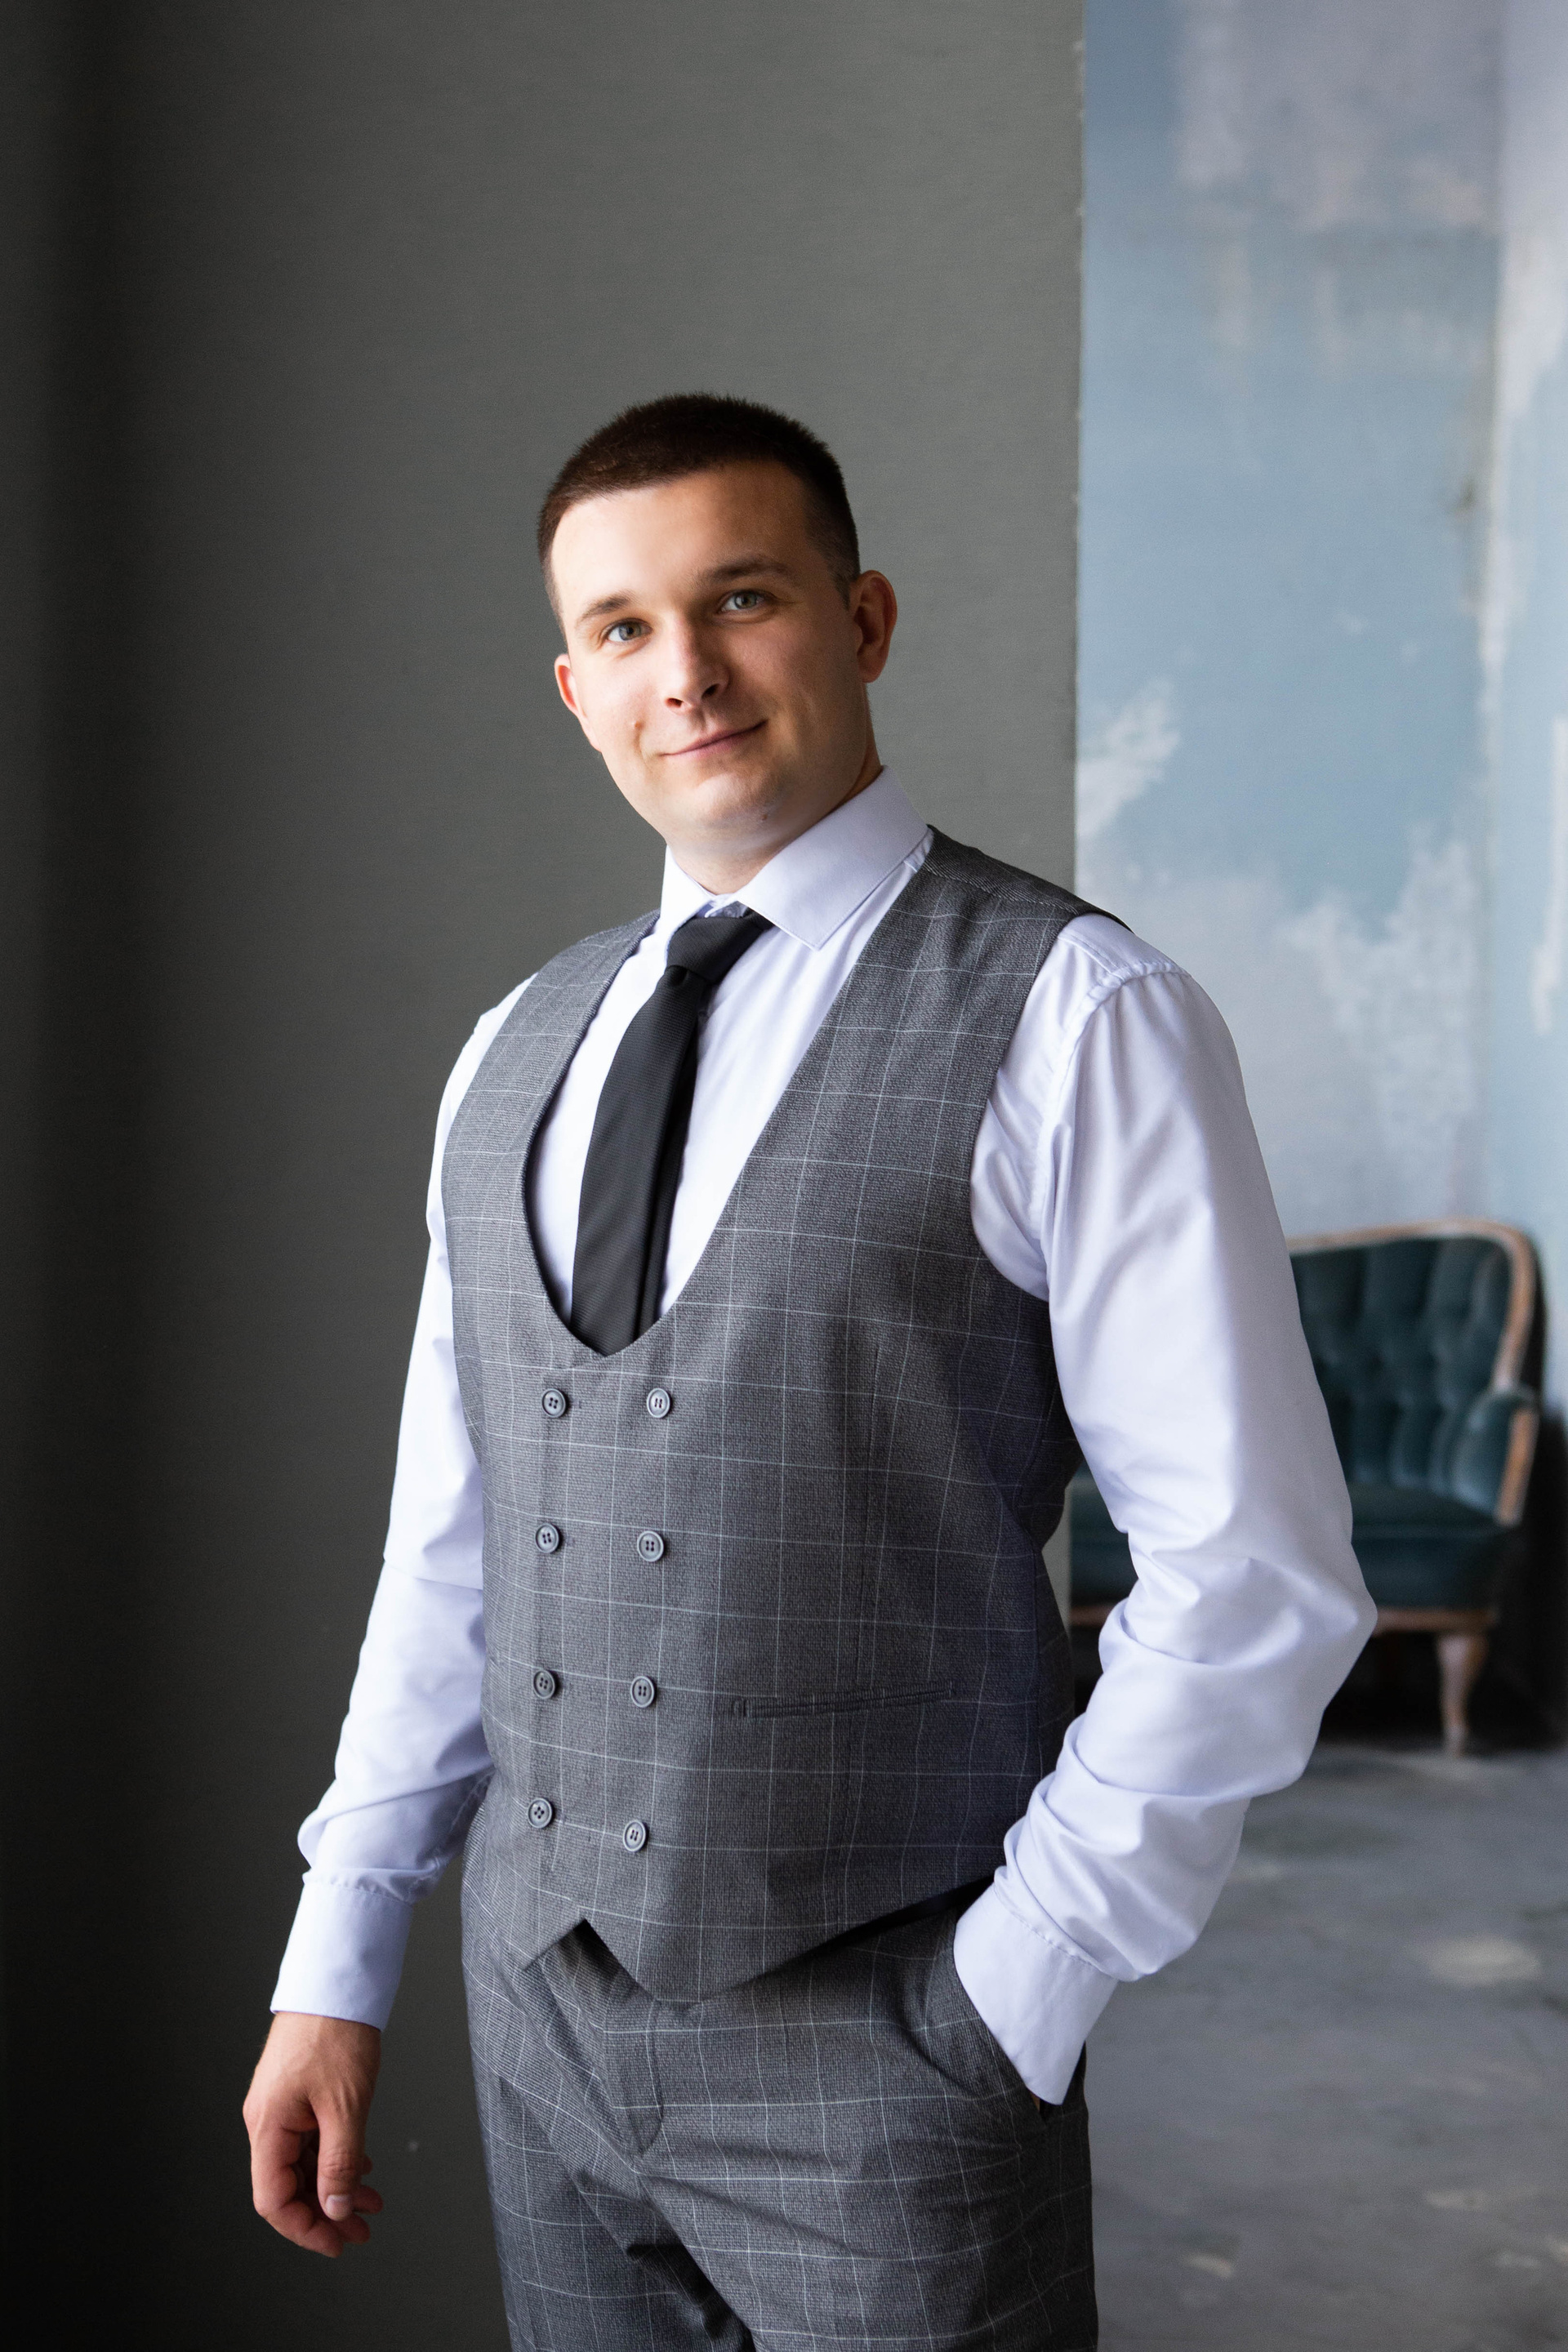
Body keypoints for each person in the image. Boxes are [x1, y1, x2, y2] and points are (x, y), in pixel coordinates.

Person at [243, 394, 1373, 2349]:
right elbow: (456, 1549)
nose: (682, 671)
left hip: (896, 2064)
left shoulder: (1078, 1014)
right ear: (576, 689)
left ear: (863, 619)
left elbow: (1255, 1574)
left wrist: (1014, 1995)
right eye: (621, 627)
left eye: (740, 599)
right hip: (537, 2035)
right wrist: (335, 1959)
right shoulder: (516, 1047)